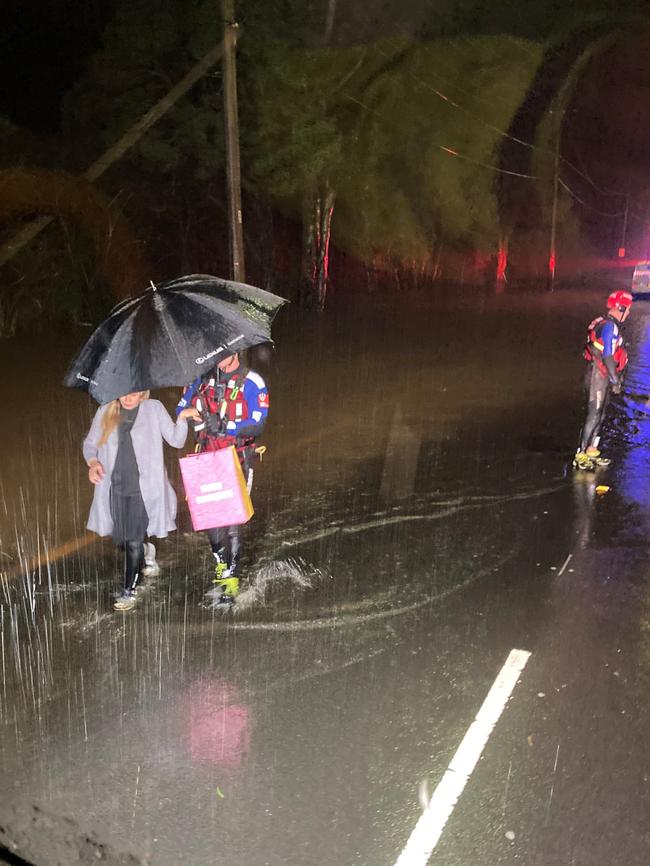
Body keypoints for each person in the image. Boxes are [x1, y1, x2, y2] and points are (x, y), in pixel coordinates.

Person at [176, 351, 269, 605]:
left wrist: (225, 425)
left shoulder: (252, 382)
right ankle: (221, 564)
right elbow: (181, 407)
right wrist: (193, 414)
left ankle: (231, 578)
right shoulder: (201, 379)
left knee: (230, 520)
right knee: (211, 522)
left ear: (236, 352)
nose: (217, 359)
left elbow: (257, 424)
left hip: (236, 459)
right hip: (206, 459)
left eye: (223, 353)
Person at [83, 391, 189, 610]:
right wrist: (93, 463)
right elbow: (90, 444)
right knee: (122, 541)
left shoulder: (153, 408)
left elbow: (176, 441)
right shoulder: (106, 411)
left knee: (132, 541)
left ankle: (128, 592)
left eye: (132, 393)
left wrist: (182, 418)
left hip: (144, 489)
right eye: (122, 392)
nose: (127, 397)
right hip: (115, 489)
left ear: (143, 391)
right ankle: (146, 548)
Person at [574, 290, 633, 470]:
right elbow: (607, 355)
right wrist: (615, 380)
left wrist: (615, 377)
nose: (629, 313)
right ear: (620, 308)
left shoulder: (607, 323)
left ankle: (592, 449)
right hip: (597, 376)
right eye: (628, 309)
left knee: (602, 413)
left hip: (603, 375)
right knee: (594, 414)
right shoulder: (609, 327)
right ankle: (580, 454)